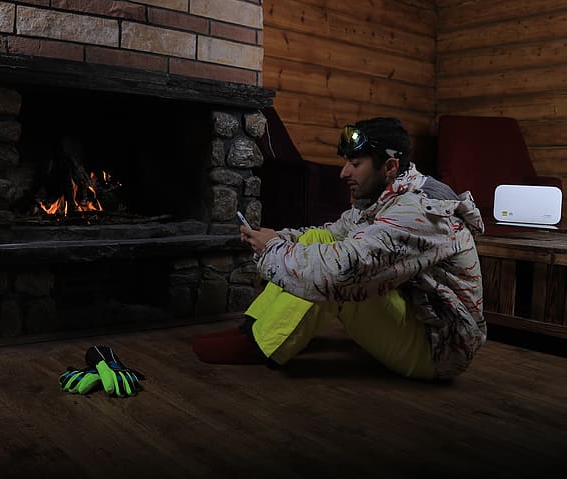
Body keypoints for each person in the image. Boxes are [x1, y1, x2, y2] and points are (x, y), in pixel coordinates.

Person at [193, 117, 486, 381]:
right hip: (416, 315)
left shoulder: (419, 209)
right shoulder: (388, 194)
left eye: (355, 164)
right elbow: (329, 234)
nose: (343, 172)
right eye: (345, 162)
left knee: (339, 274)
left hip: (437, 349)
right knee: (319, 242)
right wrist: (277, 237)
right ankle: (254, 328)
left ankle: (260, 345)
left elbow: (343, 270)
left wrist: (270, 250)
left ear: (390, 166)